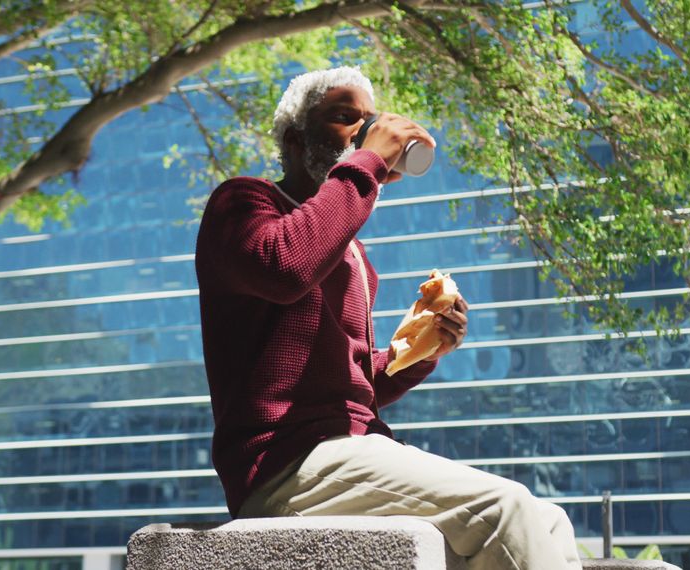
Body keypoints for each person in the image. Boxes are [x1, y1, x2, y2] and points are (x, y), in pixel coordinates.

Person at [194, 66, 582, 570]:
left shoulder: (350, 250)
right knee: (506, 510)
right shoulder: (244, 202)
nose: (362, 128)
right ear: (294, 140)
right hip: (285, 462)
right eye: (343, 116)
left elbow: (356, 386)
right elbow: (287, 267)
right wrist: (368, 162)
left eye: (367, 119)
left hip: (347, 449)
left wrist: (423, 346)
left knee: (549, 520)